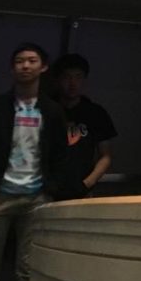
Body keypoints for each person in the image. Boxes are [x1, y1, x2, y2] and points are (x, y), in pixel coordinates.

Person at [0, 42, 69, 281]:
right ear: (12, 68)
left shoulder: (53, 110)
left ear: (43, 67)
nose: (25, 66)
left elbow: (59, 153)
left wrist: (51, 190)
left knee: (27, 271)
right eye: (20, 61)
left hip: (36, 198)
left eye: (32, 60)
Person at [51, 53, 117, 199]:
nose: (72, 83)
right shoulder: (46, 110)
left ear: (84, 80)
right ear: (58, 79)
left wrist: (86, 184)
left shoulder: (95, 113)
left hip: (82, 189)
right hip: (47, 189)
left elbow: (105, 156)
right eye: (67, 77)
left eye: (78, 77)